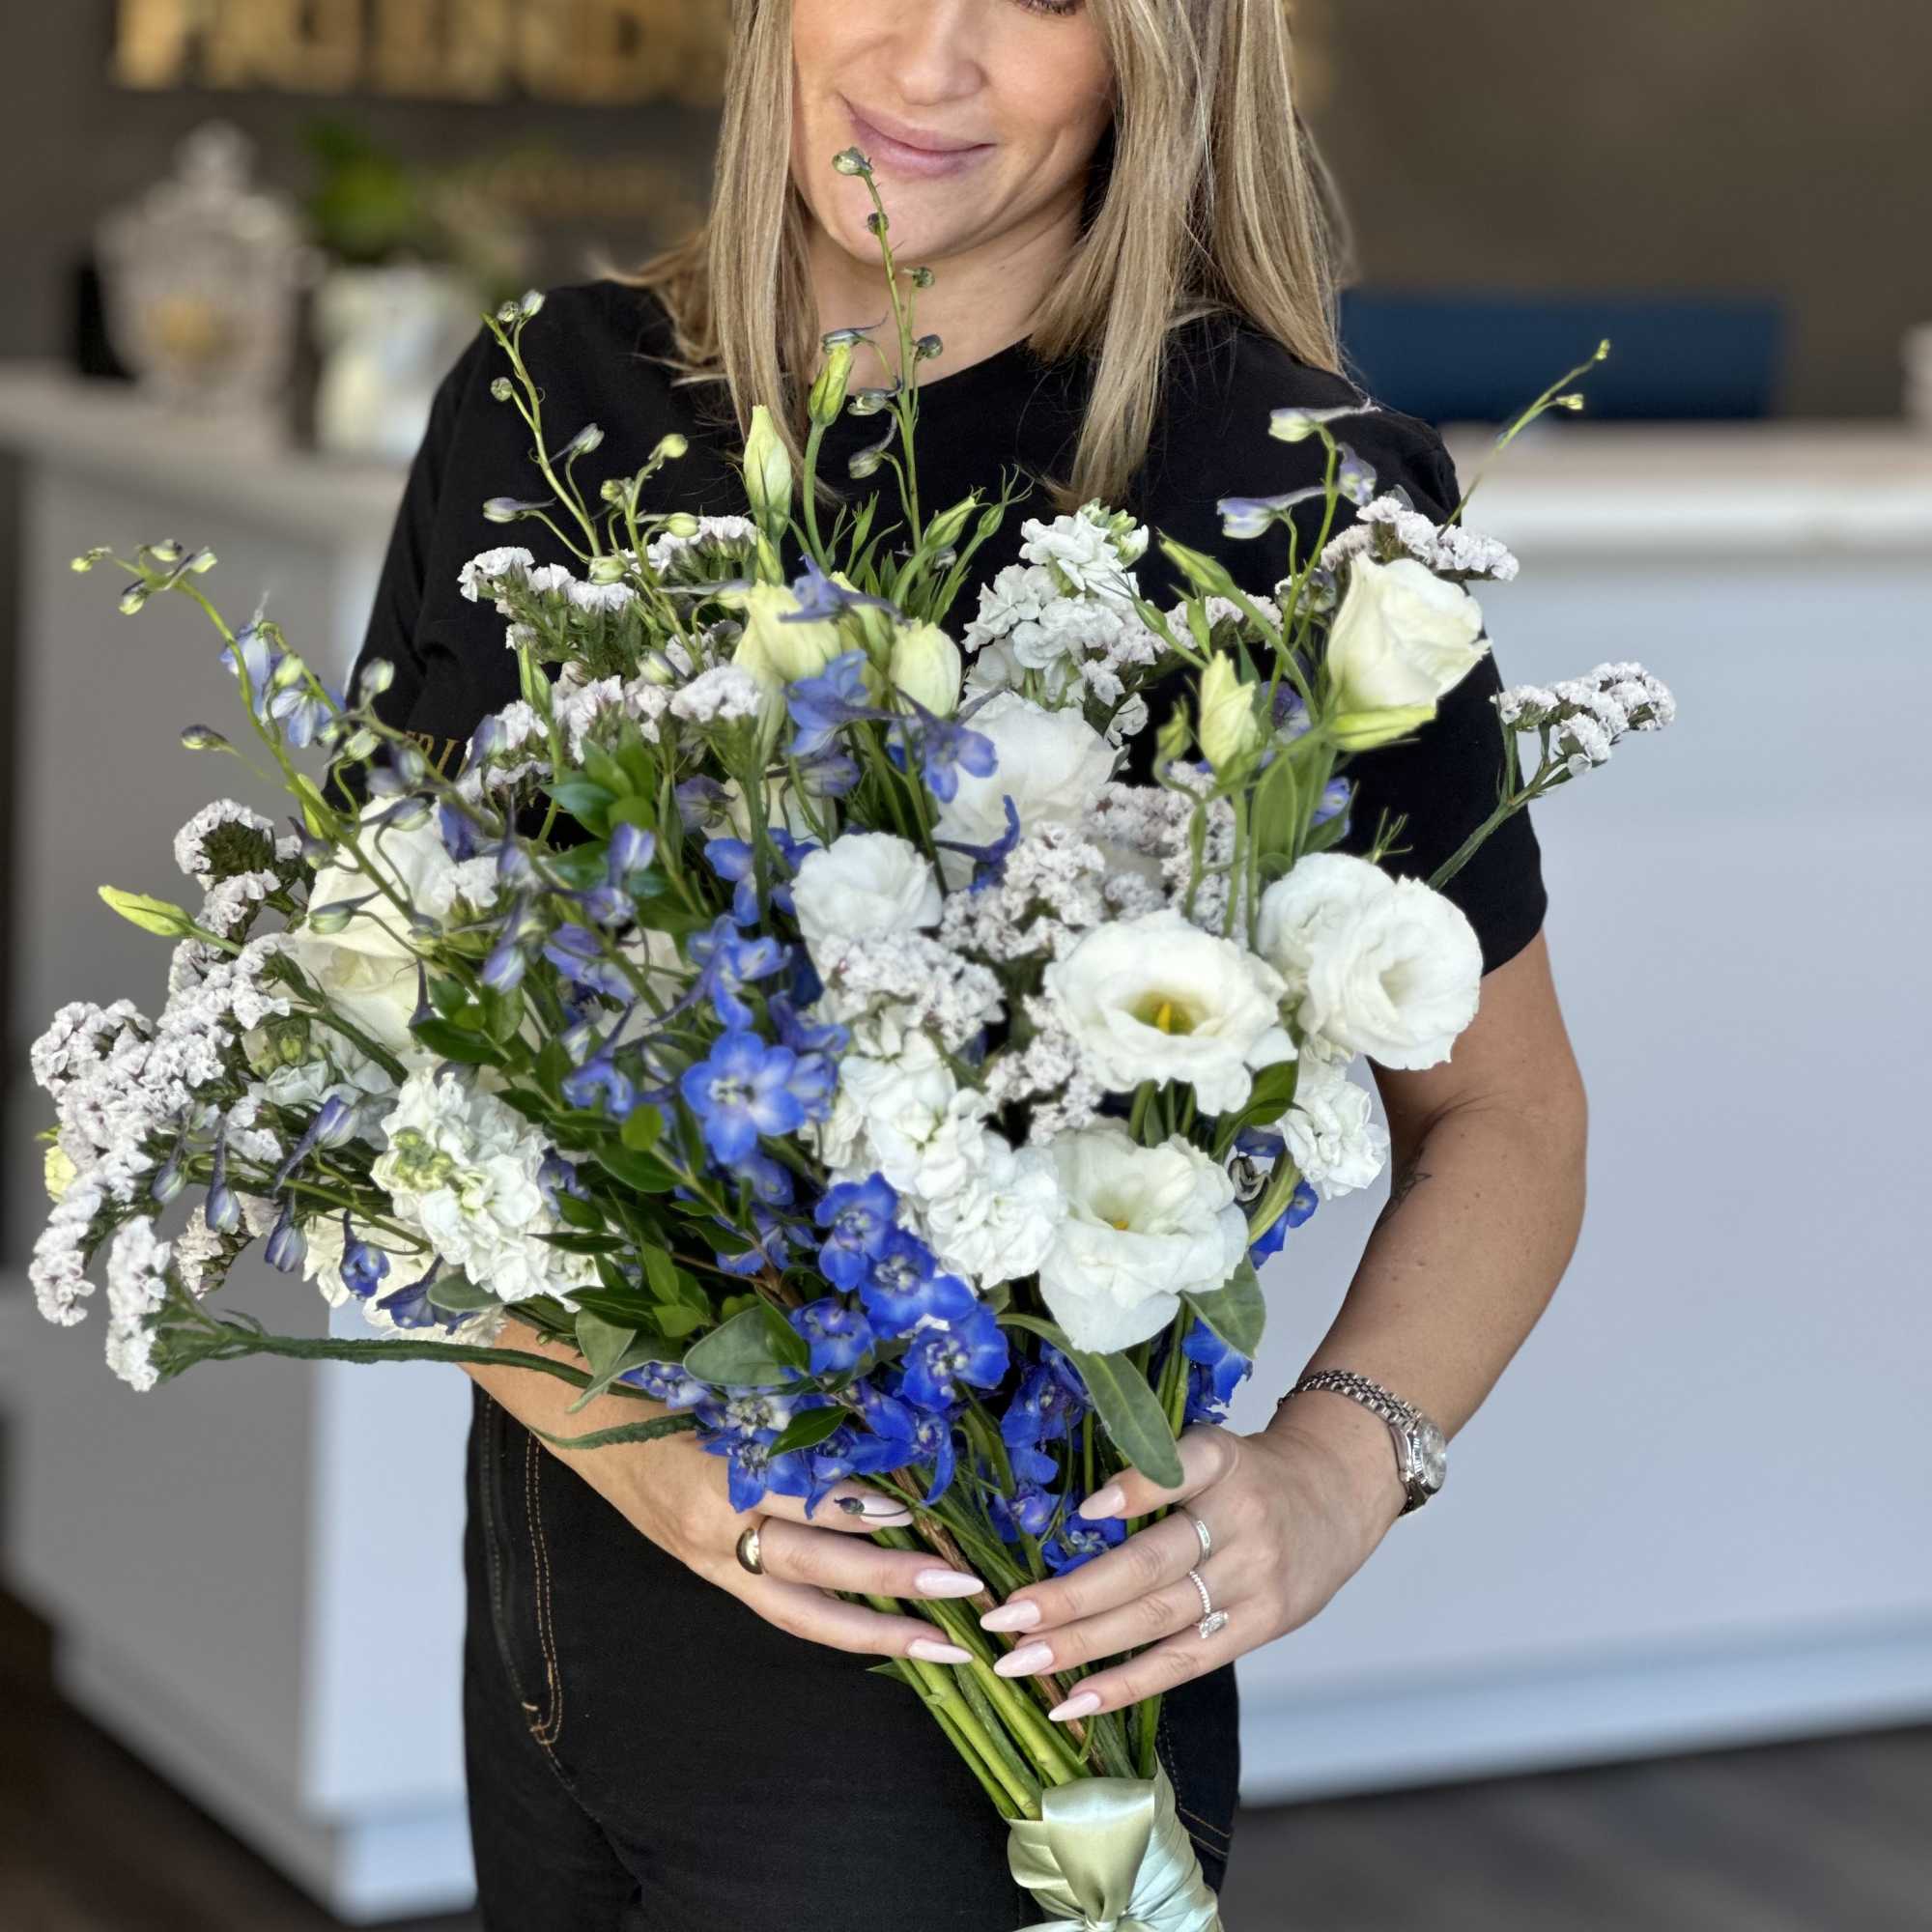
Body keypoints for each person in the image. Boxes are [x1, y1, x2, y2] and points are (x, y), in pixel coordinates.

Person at [335, 4, 1589, 1925]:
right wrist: (646, 1453)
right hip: (554, 1613)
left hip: (989, 1705)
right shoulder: (545, 398)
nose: (931, 61)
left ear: (1159, 62)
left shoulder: (1284, 487)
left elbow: (1503, 1109)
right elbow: (356, 1043)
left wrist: (1342, 1471)